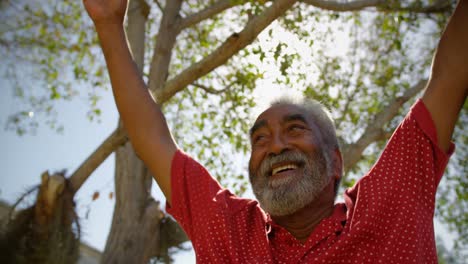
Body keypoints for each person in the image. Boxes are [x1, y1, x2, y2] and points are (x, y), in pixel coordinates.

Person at [83, 0, 467, 262]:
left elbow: (451, 72)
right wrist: (109, 24)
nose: (275, 146)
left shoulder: (392, 201)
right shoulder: (227, 229)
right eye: (259, 139)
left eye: (295, 129)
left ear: (335, 161)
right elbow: (151, 138)